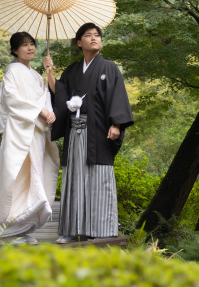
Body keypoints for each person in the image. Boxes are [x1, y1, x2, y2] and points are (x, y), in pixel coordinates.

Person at [44, 22, 133, 242]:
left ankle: (99, 229)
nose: (94, 38)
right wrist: (49, 72)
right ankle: (71, 230)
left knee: (98, 177)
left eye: (97, 35)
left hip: (100, 131)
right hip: (76, 131)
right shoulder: (73, 70)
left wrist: (117, 124)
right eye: (88, 35)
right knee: (74, 177)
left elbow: (118, 97)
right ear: (79, 42)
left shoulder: (109, 68)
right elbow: (61, 94)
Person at [0, 32, 60, 244]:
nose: (30, 48)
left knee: (33, 173)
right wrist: (40, 111)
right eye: (24, 45)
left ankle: (24, 228)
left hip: (35, 133)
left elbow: (45, 97)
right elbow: (11, 99)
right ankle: (9, 226)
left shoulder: (37, 76)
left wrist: (49, 74)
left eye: (32, 45)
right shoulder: (12, 70)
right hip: (19, 131)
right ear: (15, 50)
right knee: (18, 175)